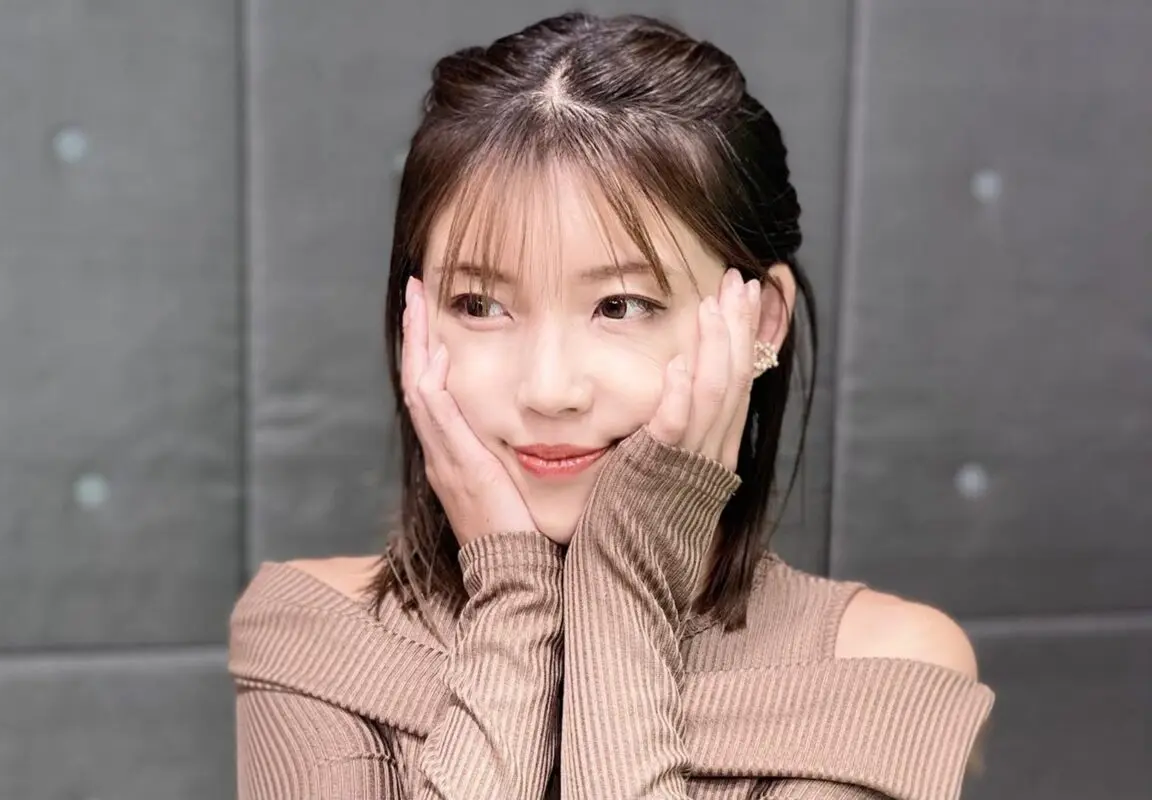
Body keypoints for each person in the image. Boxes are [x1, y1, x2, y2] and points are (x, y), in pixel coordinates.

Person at [228, 11, 993, 800]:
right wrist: (514, 598)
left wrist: (623, 582)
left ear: (760, 322)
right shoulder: (320, 635)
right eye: (481, 305)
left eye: (621, 306)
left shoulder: (881, 670)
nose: (549, 388)